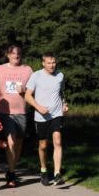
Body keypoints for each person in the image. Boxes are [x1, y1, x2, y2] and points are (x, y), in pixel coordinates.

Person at [0, 43, 33, 187]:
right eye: (13, 53)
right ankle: (12, 175)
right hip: (5, 112)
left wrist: (24, 89)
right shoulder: (0, 69)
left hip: (21, 111)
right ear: (8, 55)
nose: (16, 55)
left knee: (19, 142)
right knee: (11, 139)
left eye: (18, 52)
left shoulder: (28, 70)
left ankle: (11, 168)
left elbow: (33, 89)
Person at [25, 52, 68, 186]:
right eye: (49, 63)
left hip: (56, 114)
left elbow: (61, 93)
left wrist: (64, 104)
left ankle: (57, 173)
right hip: (41, 116)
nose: (52, 65)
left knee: (57, 140)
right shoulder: (36, 76)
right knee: (43, 145)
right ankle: (44, 170)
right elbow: (27, 95)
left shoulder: (60, 75)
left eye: (54, 62)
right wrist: (38, 107)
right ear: (43, 63)